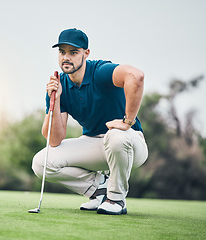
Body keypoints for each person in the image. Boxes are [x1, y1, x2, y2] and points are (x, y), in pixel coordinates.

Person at [31, 28, 148, 215]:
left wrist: (128, 121)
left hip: (130, 144)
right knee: (41, 162)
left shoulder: (100, 72)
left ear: (86, 53)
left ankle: (116, 199)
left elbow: (136, 76)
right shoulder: (58, 85)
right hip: (95, 145)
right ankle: (99, 190)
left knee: (116, 136)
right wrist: (57, 98)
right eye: (62, 52)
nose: (66, 57)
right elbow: (54, 140)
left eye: (73, 52)